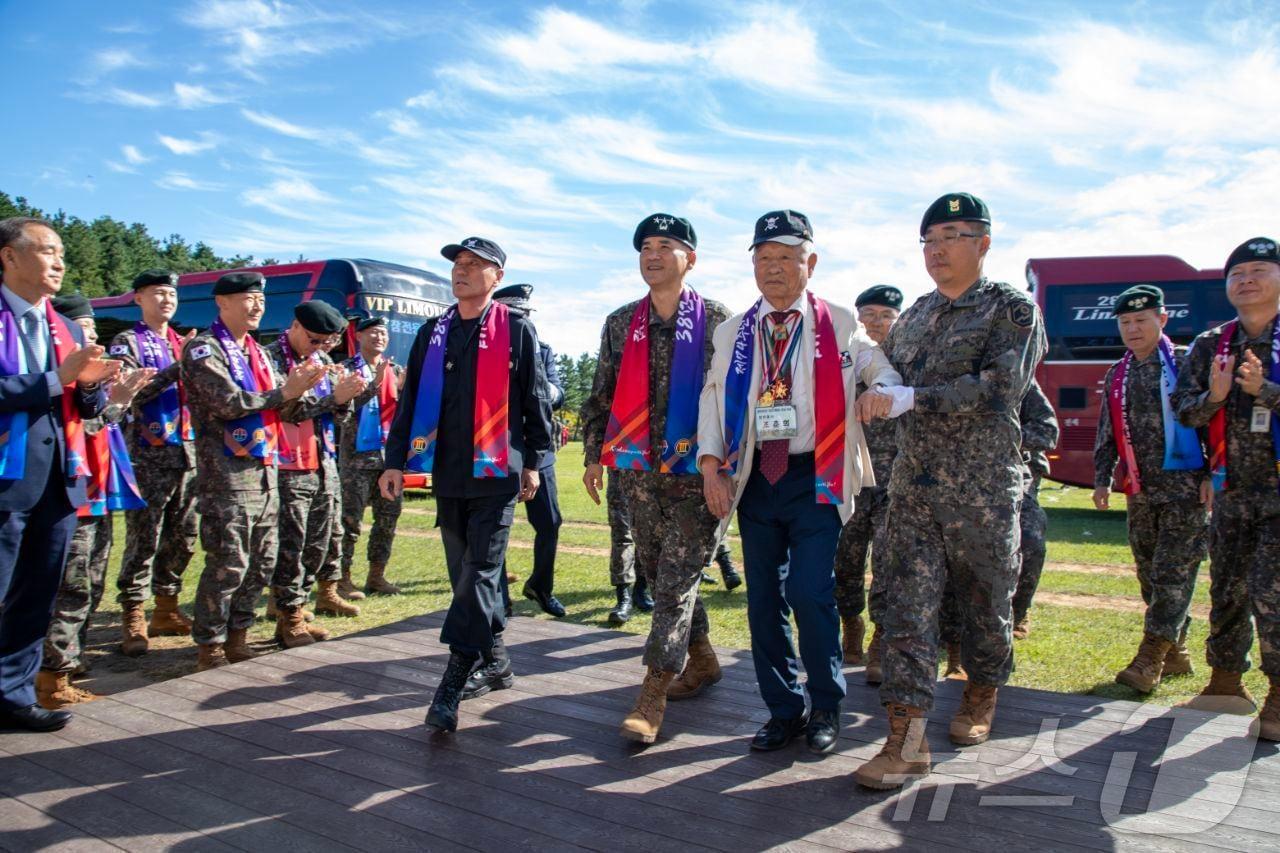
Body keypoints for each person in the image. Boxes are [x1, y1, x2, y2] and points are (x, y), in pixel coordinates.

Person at [853, 193, 1046, 789]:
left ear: (983, 244)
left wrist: (915, 397)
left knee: (986, 605)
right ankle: (906, 740)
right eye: (929, 240)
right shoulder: (913, 314)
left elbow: (1000, 388)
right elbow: (888, 370)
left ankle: (981, 693)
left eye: (952, 237)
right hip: (912, 489)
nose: (937, 250)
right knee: (907, 613)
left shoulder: (1011, 311)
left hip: (982, 492)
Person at [698, 210, 906, 755]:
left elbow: (876, 365)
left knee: (810, 593)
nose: (773, 268)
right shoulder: (732, 332)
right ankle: (783, 710)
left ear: (809, 263)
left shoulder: (837, 320)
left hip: (818, 473)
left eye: (786, 258)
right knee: (763, 600)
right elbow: (714, 400)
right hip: (755, 479)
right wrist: (709, 464)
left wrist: (880, 389)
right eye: (763, 258)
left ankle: (827, 705)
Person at [380, 237, 553, 734]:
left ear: (496, 276)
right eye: (459, 264)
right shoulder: (432, 332)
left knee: (480, 571)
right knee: (465, 575)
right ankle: (496, 661)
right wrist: (396, 461)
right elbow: (410, 402)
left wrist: (536, 462)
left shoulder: (516, 328)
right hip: (447, 473)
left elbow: (534, 401)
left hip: (496, 473)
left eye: (476, 265)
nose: (463, 271)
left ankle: (453, 680)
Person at [580, 214, 731, 745]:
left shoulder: (719, 321)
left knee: (673, 585)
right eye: (645, 246)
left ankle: (652, 693)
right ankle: (705, 659)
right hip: (636, 476)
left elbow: (733, 401)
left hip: (700, 477)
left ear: (691, 258)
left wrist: (725, 467)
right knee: (659, 572)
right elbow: (600, 393)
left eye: (666, 246)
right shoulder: (622, 323)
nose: (653, 255)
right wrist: (593, 455)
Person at [0, 216, 115, 732]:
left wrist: (91, 387)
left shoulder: (64, 326)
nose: (60, 262)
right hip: (6, 479)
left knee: (36, 594)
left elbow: (78, 401)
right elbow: (48, 386)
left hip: (58, 479)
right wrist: (55, 378)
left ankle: (13, 695)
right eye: (48, 250)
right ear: (9, 256)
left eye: (63, 252)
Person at [185, 272, 326, 672]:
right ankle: (209, 644)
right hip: (225, 473)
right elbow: (228, 402)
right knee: (229, 561)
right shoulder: (203, 349)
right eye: (248, 298)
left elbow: (284, 409)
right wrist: (286, 391)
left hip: (266, 469)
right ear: (223, 302)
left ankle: (238, 636)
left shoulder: (258, 354)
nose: (258, 306)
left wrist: (325, 395)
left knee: (263, 561)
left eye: (261, 299)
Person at [1172, 237, 1280, 738]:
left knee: (1271, 592)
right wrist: (1215, 396)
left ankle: (1278, 696)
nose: (1246, 280)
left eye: (1259, 270)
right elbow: (1184, 411)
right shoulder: (1210, 345)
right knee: (1228, 589)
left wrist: (1266, 391)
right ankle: (1225, 684)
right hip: (1230, 491)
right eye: (1237, 274)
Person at [37, 293, 153, 709]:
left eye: (89, 329)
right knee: (70, 585)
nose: (89, 337)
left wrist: (115, 398)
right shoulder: (55, 373)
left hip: (96, 487)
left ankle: (72, 659)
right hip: (71, 490)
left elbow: (97, 424)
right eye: (79, 330)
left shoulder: (88, 379)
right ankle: (51, 676)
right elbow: (79, 427)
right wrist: (116, 402)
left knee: (91, 580)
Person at [1092, 285, 1208, 692]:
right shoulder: (1118, 373)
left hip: (1186, 490)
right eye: (1125, 322)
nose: (1133, 328)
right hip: (1140, 491)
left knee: (1172, 573)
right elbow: (1107, 431)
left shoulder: (1186, 364)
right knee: (1149, 576)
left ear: (1162, 319)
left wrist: (1213, 474)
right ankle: (1176, 650)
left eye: (1141, 320)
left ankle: (1150, 659)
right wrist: (1102, 479)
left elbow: (1208, 421)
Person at [265, 301, 367, 648]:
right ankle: (289, 618)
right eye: (313, 340)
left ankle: (301, 605)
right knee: (289, 547)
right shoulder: (270, 359)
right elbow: (281, 409)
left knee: (318, 545)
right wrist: (331, 399)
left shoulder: (321, 361)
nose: (320, 348)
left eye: (326, 342)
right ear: (294, 326)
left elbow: (339, 416)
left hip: (322, 463)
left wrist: (344, 399)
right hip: (285, 465)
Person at [108, 269, 199, 657]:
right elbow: (132, 394)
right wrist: (177, 366)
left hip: (188, 453)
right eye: (157, 293)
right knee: (144, 537)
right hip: (148, 454)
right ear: (139, 298)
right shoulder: (127, 341)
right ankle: (133, 613)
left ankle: (166, 607)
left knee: (184, 536)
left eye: (171, 294)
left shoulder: (182, 341)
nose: (166, 300)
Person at [835, 284, 902, 676]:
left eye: (886, 315)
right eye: (869, 314)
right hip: (851, 477)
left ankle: (881, 638)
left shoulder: (908, 361)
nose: (876, 322)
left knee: (888, 564)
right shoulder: (846, 358)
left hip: (896, 481)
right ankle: (850, 624)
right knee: (845, 561)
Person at [494, 283, 566, 618]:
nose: (521, 321)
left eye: (524, 315)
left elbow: (558, 391)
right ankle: (499, 596)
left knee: (549, 523)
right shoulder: (484, 350)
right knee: (495, 526)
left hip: (539, 450)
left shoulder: (543, 349)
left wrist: (541, 389)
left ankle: (540, 586)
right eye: (513, 315)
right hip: (498, 448)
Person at [339, 316, 404, 596]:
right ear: (359, 337)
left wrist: (404, 389)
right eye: (373, 333)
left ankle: (377, 576)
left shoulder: (394, 370)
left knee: (388, 518)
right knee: (349, 521)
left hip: (388, 459)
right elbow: (342, 407)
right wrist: (373, 386)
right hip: (356, 459)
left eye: (383, 333)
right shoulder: (345, 370)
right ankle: (340, 579)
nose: (379, 338)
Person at [1010, 379, 1060, 639]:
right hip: (958, 475)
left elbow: (1047, 430)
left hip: (1017, 471)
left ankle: (1018, 611)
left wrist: (1002, 436)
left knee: (1030, 540)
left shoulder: (1019, 377)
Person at [605, 468, 643, 624]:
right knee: (621, 534)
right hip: (620, 464)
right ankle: (623, 598)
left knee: (647, 533)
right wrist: (593, 462)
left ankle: (641, 590)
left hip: (654, 470)